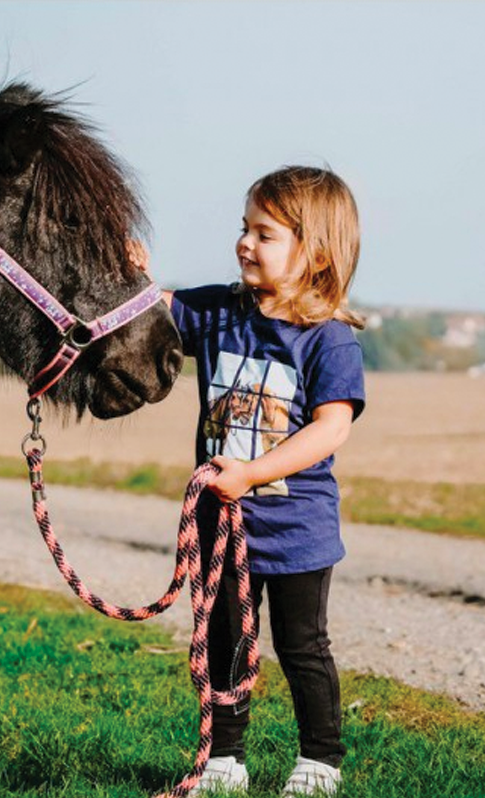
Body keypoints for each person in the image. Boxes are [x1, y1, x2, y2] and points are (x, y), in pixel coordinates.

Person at [135, 166, 366, 797]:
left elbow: (330, 429)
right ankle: (224, 761)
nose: (244, 243)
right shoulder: (217, 313)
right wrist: (130, 273)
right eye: (244, 228)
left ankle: (320, 762)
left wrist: (255, 473)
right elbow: (150, 313)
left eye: (264, 233)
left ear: (313, 252)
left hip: (296, 531)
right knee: (224, 642)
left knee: (302, 648)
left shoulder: (328, 340)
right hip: (221, 526)